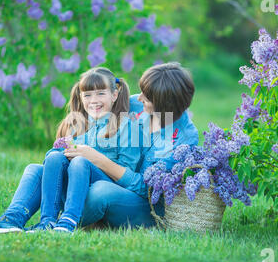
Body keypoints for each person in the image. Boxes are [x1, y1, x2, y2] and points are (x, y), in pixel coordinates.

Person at [0, 67, 141, 234]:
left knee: (79, 161)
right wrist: (61, 150)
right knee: (41, 164)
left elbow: (125, 172)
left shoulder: (126, 126)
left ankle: (67, 222)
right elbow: (54, 160)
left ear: (115, 95)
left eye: (101, 93)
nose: (93, 100)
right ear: (81, 97)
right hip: (74, 186)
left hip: (103, 189)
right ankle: (23, 220)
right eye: (87, 95)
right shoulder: (80, 126)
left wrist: (92, 158)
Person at [70, 62, 199, 228]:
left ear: (165, 103)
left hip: (143, 204)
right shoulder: (133, 105)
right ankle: (50, 217)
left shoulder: (184, 137)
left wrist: (99, 160)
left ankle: (67, 219)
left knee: (101, 192)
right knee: (37, 171)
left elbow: (149, 190)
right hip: (101, 178)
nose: (139, 98)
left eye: (147, 96)